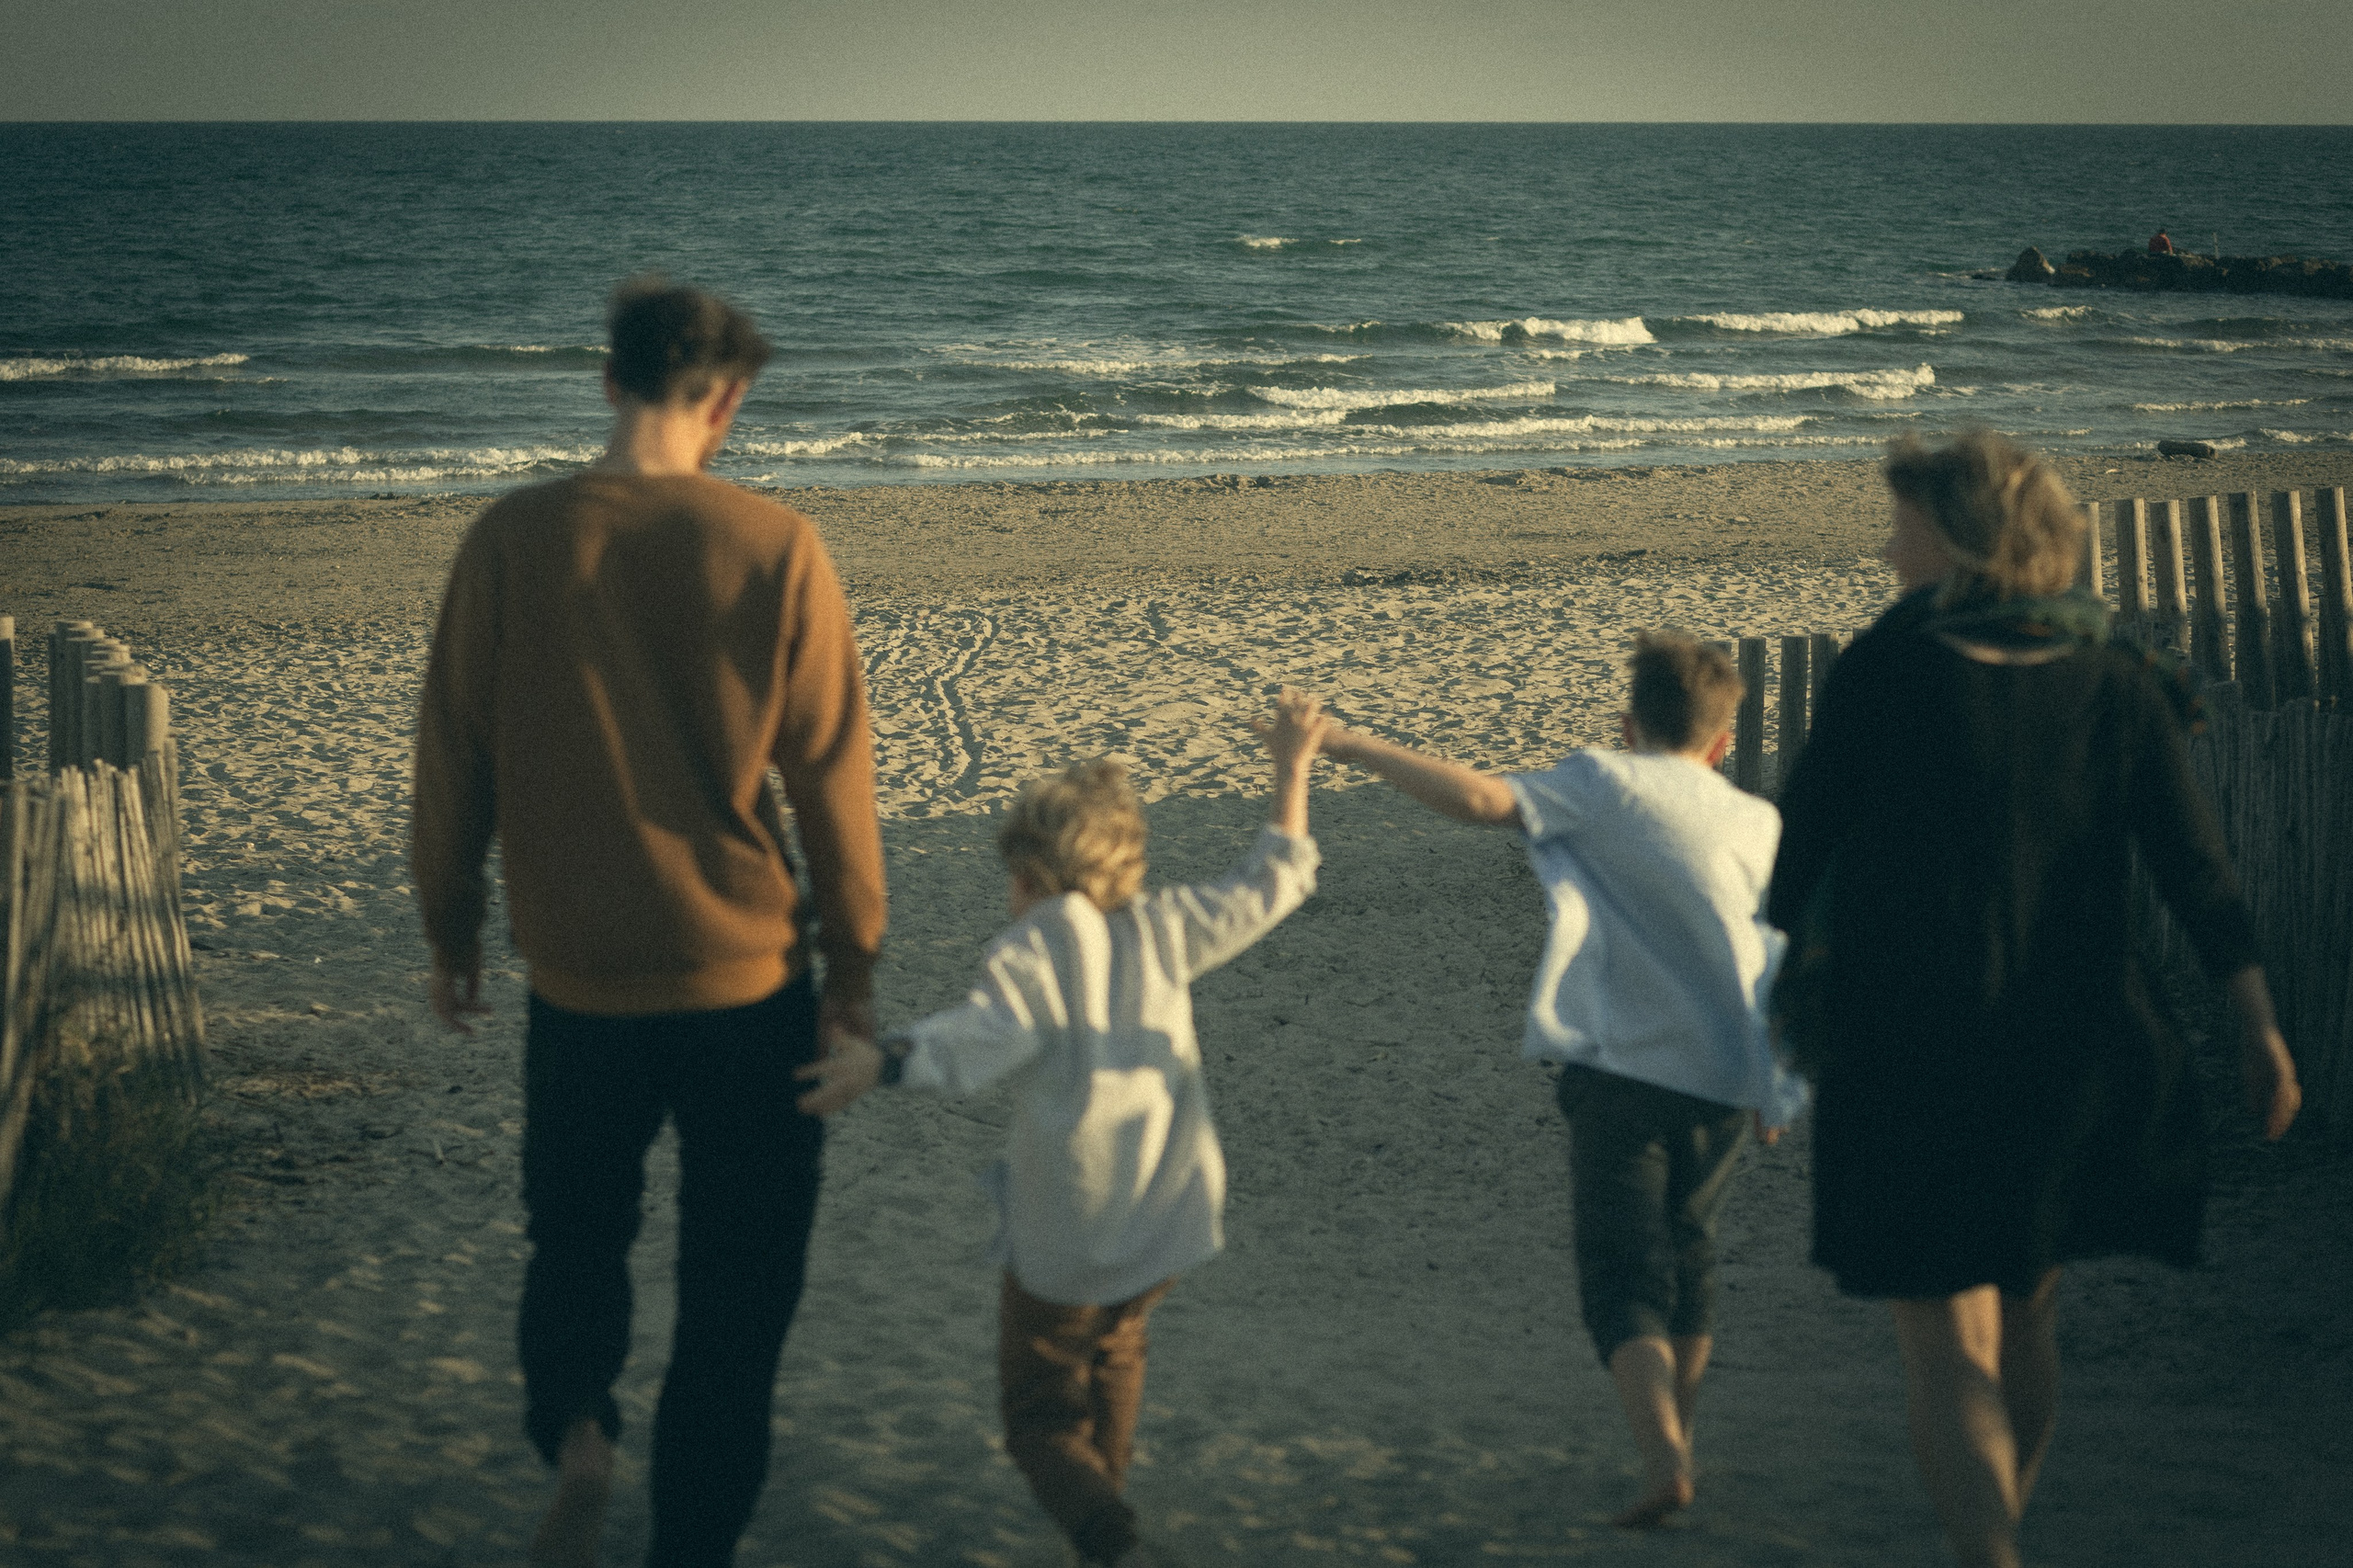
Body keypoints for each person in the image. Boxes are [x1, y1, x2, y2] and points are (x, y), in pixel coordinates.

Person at [411, 276, 887, 1568]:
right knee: (737, 1300)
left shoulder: (513, 537)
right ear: (724, 403)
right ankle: (692, 1548)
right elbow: (831, 776)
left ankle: (576, 1430)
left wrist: (451, 925)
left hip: (579, 984)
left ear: (609, 379)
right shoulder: (776, 544)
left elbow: (452, 754)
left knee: (575, 1238)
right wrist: (854, 967)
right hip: (748, 983)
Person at [1767, 430, 2302, 1568]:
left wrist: (1774, 1005)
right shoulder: (2115, 673)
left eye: (1899, 522)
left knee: (1945, 1344)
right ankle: (2002, 1532)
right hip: (2071, 1042)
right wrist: (2255, 1021)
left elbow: (1796, 851)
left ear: (1959, 534)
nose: (1883, 542)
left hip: (1906, 1038)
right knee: (2026, 1314)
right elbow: (2193, 865)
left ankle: (1989, 1551)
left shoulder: (1886, 665)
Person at [796, 693, 1328, 1568]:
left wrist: (886, 1060)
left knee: (1040, 1412)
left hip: (1070, 1230)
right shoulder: (1162, 928)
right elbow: (1274, 881)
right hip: (1163, 1220)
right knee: (1118, 1349)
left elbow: (983, 1034)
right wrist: (1291, 769)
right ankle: (1106, 1513)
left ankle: (1102, 1530)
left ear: (1033, 878)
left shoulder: (1036, 948)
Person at [1308, 635, 1807, 1529]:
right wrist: (1775, 1078)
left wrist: (1352, 745)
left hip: (1619, 1068)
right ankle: (1676, 1437)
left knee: (1620, 1272)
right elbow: (1768, 956)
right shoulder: (1756, 820)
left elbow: (1480, 798)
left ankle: (1661, 1457)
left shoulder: (1603, 782)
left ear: (1626, 724)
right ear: (1724, 741)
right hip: (1727, 1077)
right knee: (1688, 1254)